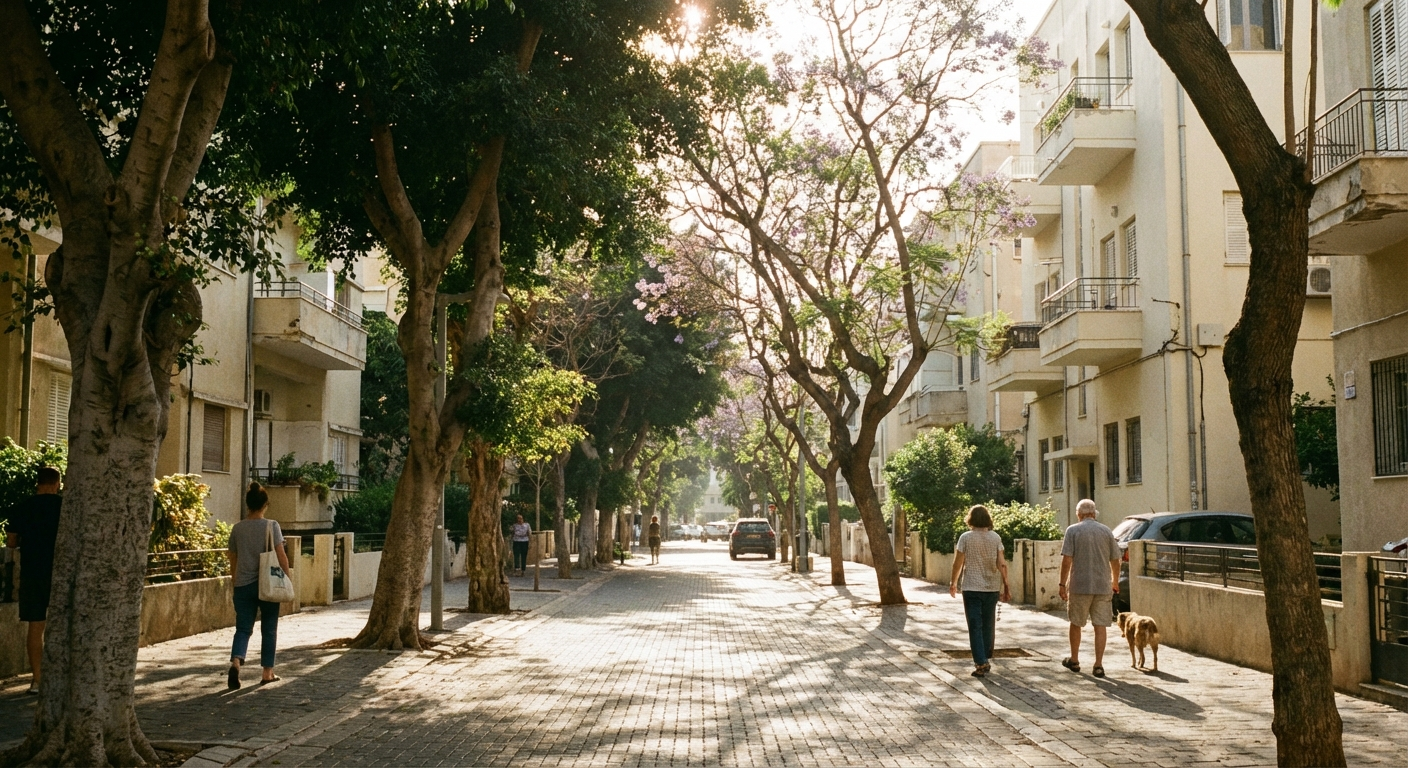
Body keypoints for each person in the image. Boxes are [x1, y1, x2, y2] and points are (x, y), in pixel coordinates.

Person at [226, 482, 292, 689]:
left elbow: (233, 559)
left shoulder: (237, 529)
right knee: (269, 629)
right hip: (268, 584)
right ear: (265, 504)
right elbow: (281, 556)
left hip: (243, 585)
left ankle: (236, 662)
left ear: (248, 504)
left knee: (243, 629)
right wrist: (287, 578)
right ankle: (267, 673)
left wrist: (234, 581)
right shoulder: (272, 526)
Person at [7, 466, 62, 694]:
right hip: (60, 572)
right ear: (58, 483)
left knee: (35, 626)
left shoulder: (22, 507)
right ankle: (59, 677)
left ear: (37, 483)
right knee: (61, 625)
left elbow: (11, 542)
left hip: (32, 572)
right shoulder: (65, 507)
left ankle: (37, 680)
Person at [1058, 498, 1123, 678]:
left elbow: (1067, 560)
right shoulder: (1106, 531)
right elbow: (1116, 560)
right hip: (1103, 585)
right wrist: (1114, 581)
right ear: (1094, 514)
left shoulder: (1073, 531)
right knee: (1100, 625)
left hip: (1080, 585)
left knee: (1076, 623)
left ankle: (1075, 660)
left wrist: (1062, 584)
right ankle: (1098, 664)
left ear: (1079, 515)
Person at [949, 505, 1010, 677]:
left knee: (975, 625)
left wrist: (953, 582)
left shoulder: (965, 538)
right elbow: (1002, 563)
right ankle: (985, 656)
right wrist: (1006, 585)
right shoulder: (995, 538)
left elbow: (958, 563)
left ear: (971, 519)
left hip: (971, 587)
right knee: (988, 623)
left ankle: (981, 661)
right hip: (991, 588)